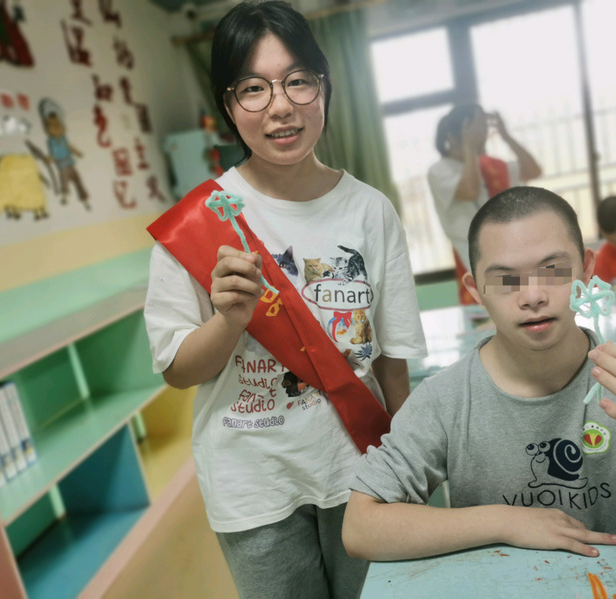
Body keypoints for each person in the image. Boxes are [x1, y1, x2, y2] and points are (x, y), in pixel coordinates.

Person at [143, 2, 426, 598]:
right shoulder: (198, 223)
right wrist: (228, 321)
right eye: (253, 88)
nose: (280, 106)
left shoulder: (370, 210)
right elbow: (176, 370)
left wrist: (410, 468)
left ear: (325, 85)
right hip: (253, 485)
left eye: (298, 80)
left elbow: (392, 357)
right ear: (228, 106)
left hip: (362, 469)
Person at [342, 187, 616, 565]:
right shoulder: (445, 399)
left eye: (553, 270)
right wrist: (505, 521)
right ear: (475, 290)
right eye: (505, 279)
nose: (532, 296)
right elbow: (361, 527)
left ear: (586, 269)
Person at [427, 104, 541, 304]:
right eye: (476, 128)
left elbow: (533, 171)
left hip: (509, 247)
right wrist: (469, 148)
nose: (482, 134)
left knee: (523, 303)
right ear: (454, 136)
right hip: (472, 254)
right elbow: (470, 190)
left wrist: (506, 136)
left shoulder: (490, 165)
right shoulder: (439, 171)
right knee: (490, 309)